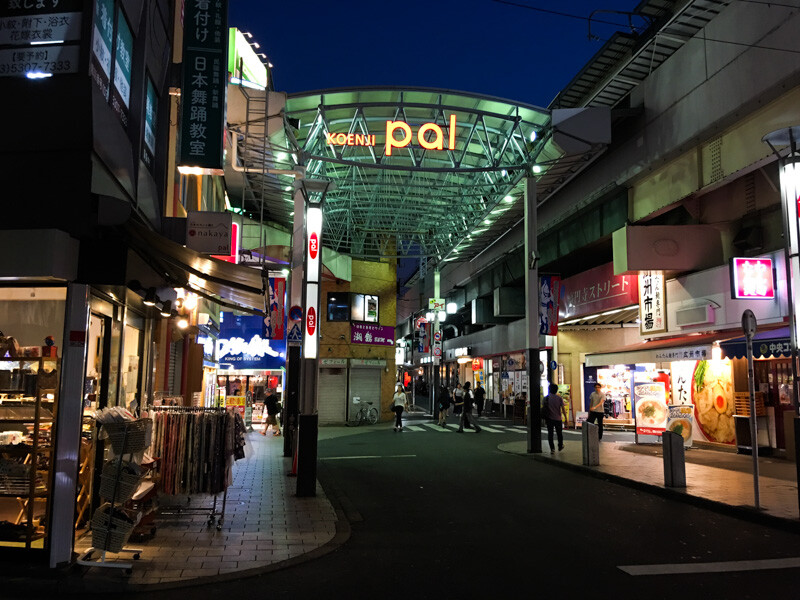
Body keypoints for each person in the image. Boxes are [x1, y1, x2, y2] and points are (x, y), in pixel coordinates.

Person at [542, 383, 567, 453]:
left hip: (549, 418)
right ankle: (560, 445)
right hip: (558, 418)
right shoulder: (559, 398)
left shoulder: (546, 398)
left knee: (550, 434)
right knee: (559, 433)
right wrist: (566, 419)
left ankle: (552, 449)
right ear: (556, 390)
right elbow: (563, 409)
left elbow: (543, 406)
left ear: (549, 389)